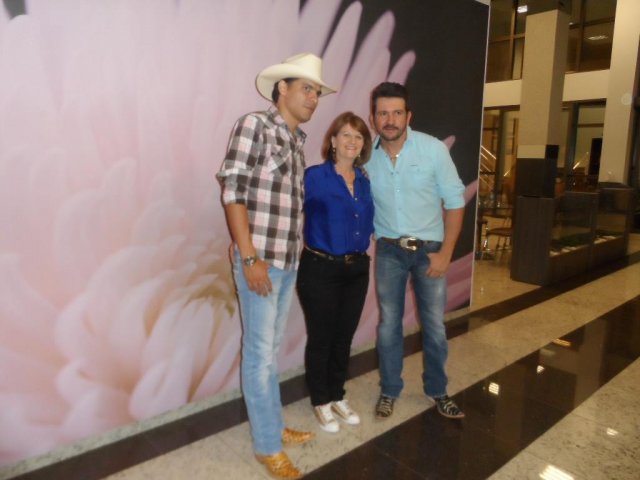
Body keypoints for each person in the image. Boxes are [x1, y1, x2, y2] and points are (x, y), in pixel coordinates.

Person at [217, 53, 336, 479]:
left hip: (287, 260)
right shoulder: (254, 126)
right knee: (259, 356)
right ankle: (267, 446)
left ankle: (271, 425)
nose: (313, 98)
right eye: (306, 89)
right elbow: (233, 190)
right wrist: (248, 255)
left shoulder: (297, 141)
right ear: (281, 88)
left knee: (268, 354)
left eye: (317, 91)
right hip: (261, 261)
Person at [365, 82, 466, 420]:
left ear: (408, 116)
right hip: (389, 252)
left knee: (434, 325)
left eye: (397, 113)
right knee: (389, 325)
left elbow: (455, 202)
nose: (390, 120)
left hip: (429, 251)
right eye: (383, 113)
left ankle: (438, 390)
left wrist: (446, 254)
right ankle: (389, 390)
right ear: (373, 118)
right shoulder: (366, 158)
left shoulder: (433, 149)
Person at [296, 112, 374, 433]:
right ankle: (321, 400)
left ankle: (338, 393)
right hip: (320, 268)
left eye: (358, 136)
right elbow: (289, 212)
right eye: (346, 135)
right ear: (333, 140)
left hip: (357, 269)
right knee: (322, 338)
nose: (352, 141)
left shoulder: (364, 182)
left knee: (344, 337)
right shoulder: (314, 177)